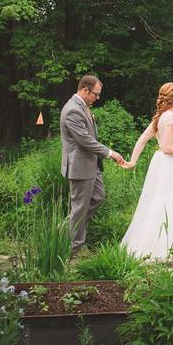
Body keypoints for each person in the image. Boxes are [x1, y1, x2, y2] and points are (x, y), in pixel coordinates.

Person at [120, 82, 173, 261]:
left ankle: (172, 242)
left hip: (162, 163)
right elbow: (167, 148)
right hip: (172, 163)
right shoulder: (172, 119)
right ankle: (170, 244)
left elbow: (142, 140)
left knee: (162, 201)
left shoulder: (160, 118)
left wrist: (133, 161)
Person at [59, 75, 125, 256]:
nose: (98, 98)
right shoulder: (72, 110)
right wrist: (110, 153)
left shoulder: (84, 107)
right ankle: (74, 249)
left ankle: (65, 229)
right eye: (96, 94)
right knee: (79, 208)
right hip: (79, 167)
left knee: (98, 196)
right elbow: (85, 140)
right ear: (85, 90)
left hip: (92, 165)